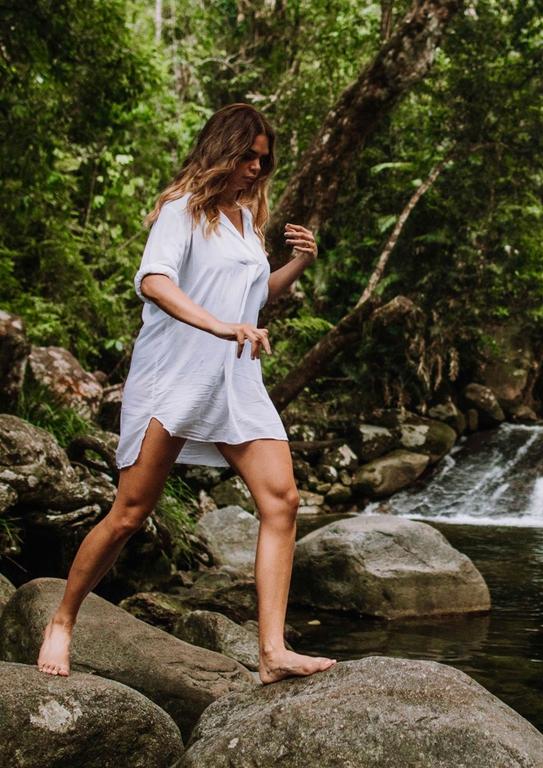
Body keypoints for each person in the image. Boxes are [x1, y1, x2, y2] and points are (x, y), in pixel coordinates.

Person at [36, 103, 337, 684]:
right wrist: (221, 327)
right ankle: (62, 621)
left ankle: (272, 651)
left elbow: (254, 298)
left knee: (283, 502)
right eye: (247, 155)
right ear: (222, 149)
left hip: (236, 380)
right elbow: (154, 281)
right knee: (128, 514)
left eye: (263, 159)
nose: (255, 167)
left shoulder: (247, 222)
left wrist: (298, 262)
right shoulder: (182, 210)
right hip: (174, 378)